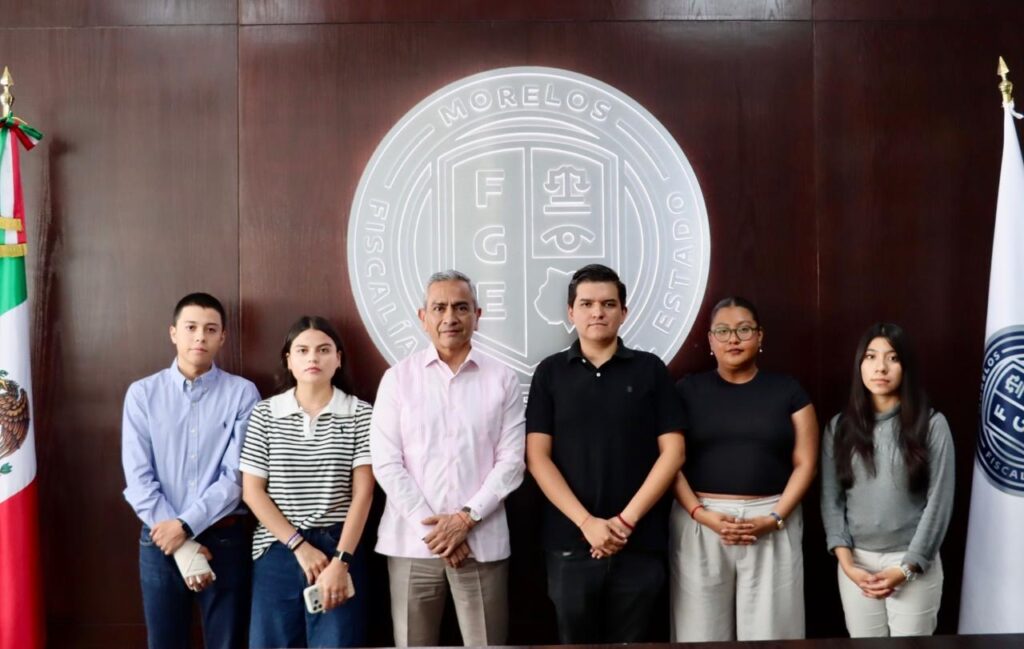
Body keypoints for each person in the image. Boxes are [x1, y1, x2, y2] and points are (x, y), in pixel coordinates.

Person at [525, 264, 685, 644]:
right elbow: (537, 457)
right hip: (570, 544)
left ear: (623, 312)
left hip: (639, 543)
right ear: (571, 312)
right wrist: (587, 523)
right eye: (587, 304)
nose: (598, 312)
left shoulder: (650, 369)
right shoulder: (550, 373)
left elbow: (673, 453)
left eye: (608, 304)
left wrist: (625, 522)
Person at [371, 270, 526, 647]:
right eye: (439, 308)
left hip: (481, 542)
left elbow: (512, 462)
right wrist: (437, 533)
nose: (450, 317)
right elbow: (387, 463)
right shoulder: (398, 379)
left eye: (461, 307)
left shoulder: (502, 378)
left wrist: (464, 520)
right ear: (423, 317)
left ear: (477, 315)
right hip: (411, 544)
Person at [670, 296, 818, 642]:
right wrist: (700, 513)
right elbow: (670, 462)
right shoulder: (686, 391)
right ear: (710, 340)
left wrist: (775, 518)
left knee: (773, 635)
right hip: (701, 520)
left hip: (772, 519)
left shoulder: (788, 391)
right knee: (699, 635)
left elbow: (806, 463)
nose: (733, 339)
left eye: (744, 329)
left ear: (760, 335)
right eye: (722, 331)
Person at [122, 292, 260, 649]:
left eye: (210, 329)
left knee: (227, 643)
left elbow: (237, 477)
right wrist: (179, 542)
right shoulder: (142, 394)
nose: (200, 337)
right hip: (160, 538)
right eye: (191, 327)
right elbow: (138, 478)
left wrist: (184, 527)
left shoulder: (243, 394)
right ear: (173, 333)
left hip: (224, 539)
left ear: (222, 337)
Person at [240, 316, 373, 648]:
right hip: (277, 549)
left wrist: (341, 561)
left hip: (339, 548)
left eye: (324, 350)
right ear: (289, 360)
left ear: (338, 359)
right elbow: (252, 492)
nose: (313, 358)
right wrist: (299, 546)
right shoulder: (265, 413)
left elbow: (363, 494)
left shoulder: (361, 414)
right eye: (302, 350)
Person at [820, 322, 954, 637]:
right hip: (856, 564)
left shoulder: (932, 424)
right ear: (860, 365)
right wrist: (848, 564)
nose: (880, 367)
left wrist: (907, 567)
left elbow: (939, 503)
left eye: (892, 358)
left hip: (912, 562)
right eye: (871, 357)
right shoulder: (839, 427)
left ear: (906, 367)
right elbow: (831, 500)